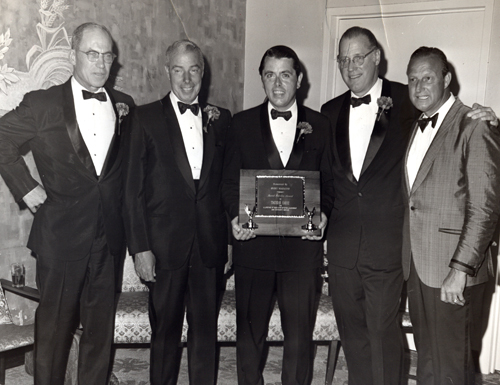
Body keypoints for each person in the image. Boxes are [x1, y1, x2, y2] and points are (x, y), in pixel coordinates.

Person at [320, 26, 498, 385]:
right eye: (344, 59)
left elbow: (481, 186)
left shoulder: (408, 100)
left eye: (359, 57)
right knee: (367, 343)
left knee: (405, 348)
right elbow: (328, 177)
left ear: (376, 58)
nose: (351, 66)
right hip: (350, 251)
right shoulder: (330, 110)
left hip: (394, 251)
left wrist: (490, 118)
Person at [0, 22, 134, 385]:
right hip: (61, 237)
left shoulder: (125, 105)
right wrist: (26, 188)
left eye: (108, 55)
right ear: (73, 54)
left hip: (108, 239)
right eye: (93, 53)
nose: (102, 62)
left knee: (99, 332)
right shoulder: (43, 104)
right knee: (55, 331)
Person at [221, 45, 334, 385]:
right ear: (262, 79)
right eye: (270, 75)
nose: (278, 83)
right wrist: (234, 220)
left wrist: (324, 215)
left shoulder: (321, 124)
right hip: (253, 248)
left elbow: (329, 183)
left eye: (285, 74)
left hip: (302, 253)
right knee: (249, 338)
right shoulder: (239, 124)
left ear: (299, 79)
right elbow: (228, 183)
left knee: (299, 340)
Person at [122, 39, 231, 385]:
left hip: (209, 246)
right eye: (179, 70)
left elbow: (225, 187)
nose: (187, 79)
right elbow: (132, 190)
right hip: (163, 248)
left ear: (203, 72)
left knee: (205, 336)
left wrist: (227, 240)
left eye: (194, 69)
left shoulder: (221, 118)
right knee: (165, 336)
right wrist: (140, 249)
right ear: (167, 71)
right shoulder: (144, 117)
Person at [402, 46, 500, 385]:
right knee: (428, 361)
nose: (419, 87)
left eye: (427, 78)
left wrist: (460, 270)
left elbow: (485, 208)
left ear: (446, 78)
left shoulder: (473, 125)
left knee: (452, 370)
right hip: (419, 265)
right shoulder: (415, 125)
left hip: (454, 271)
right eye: (412, 79)